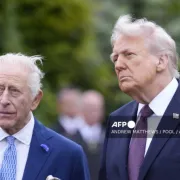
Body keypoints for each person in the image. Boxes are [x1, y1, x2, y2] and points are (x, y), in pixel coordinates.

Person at [99, 15, 180, 180]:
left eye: (128, 55)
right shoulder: (117, 119)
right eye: (115, 58)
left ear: (161, 61)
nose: (118, 65)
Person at [0, 53, 90, 180]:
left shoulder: (67, 154)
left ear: (35, 99)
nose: (4, 100)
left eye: (14, 91)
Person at [78, 90, 105, 180]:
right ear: (81, 109)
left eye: (97, 108)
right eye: (89, 108)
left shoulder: (110, 137)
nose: (93, 112)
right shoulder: (70, 138)